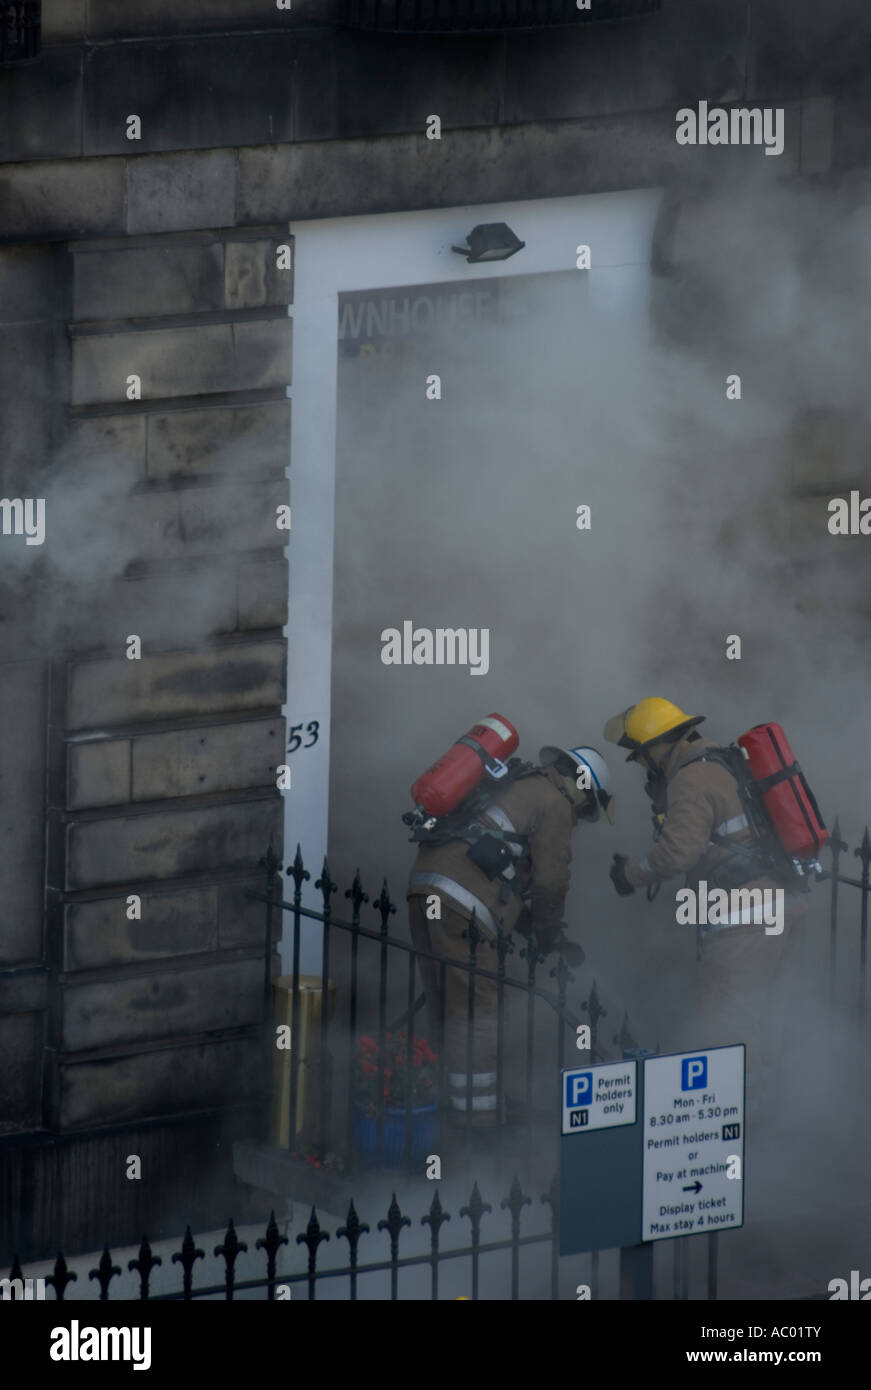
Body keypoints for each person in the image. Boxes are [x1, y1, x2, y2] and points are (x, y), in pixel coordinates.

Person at [603, 698, 808, 1135]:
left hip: (744, 914)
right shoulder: (726, 761)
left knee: (729, 1022)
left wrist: (630, 872)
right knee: (763, 1014)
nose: (643, 768)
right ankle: (768, 1115)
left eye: (640, 758)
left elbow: (677, 853)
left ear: (656, 747)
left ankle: (741, 1128)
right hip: (780, 903)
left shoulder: (690, 778)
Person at [407, 744, 614, 1122]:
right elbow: (551, 881)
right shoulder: (555, 802)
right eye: (587, 809)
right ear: (582, 788)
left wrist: (529, 926)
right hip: (463, 902)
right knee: (477, 1011)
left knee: (446, 1001)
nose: (580, 819)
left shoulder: (513, 782)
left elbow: (496, 870)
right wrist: (550, 932)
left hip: (425, 889)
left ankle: (440, 1102)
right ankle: (478, 1122)